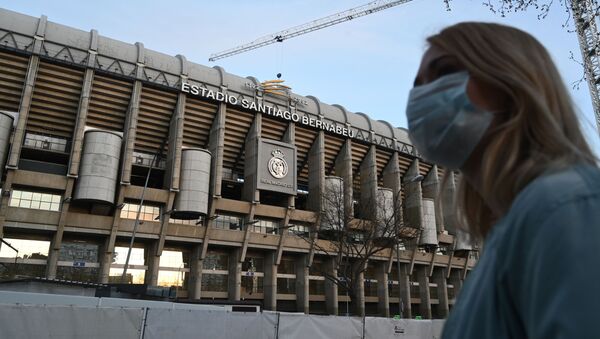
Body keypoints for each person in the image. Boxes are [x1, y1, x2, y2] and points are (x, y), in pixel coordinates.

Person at [405, 22, 600, 338]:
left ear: (511, 83)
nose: (422, 96)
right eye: (418, 85)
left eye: (444, 72)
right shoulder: (511, 231)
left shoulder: (567, 206)